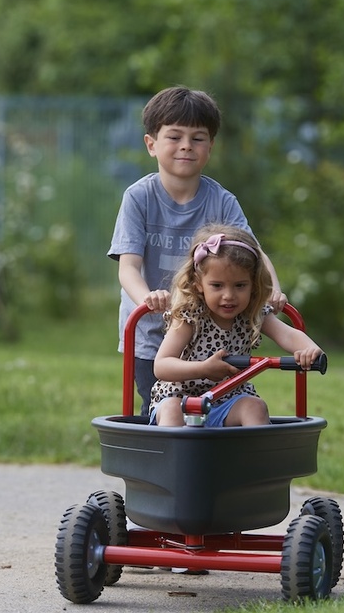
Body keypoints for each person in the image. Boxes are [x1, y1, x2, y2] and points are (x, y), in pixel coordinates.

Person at [108, 86, 287, 416]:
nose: (186, 146)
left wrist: (272, 288)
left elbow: (254, 253)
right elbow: (128, 267)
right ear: (152, 144)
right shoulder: (139, 198)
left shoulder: (221, 200)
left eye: (198, 138)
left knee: (218, 409)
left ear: (210, 147)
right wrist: (149, 298)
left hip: (210, 333)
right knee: (164, 408)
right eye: (174, 137)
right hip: (154, 336)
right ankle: (170, 465)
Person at [149, 224, 324, 427]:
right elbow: (162, 365)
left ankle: (255, 458)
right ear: (198, 283)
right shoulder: (190, 315)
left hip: (227, 401)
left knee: (255, 407)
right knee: (171, 409)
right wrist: (204, 369)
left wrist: (309, 350)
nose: (229, 296)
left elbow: (288, 336)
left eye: (240, 285)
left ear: (253, 284)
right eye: (217, 285)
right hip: (182, 399)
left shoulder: (251, 312)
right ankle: (176, 458)